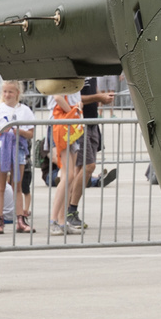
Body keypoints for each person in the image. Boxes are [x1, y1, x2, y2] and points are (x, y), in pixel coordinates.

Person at [0, 80, 35, 234]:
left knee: (17, 185)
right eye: (5, 92)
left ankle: (20, 219)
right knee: (0, 186)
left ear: (17, 93)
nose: (7, 95)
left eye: (10, 92)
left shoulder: (25, 110)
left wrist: (18, 131)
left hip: (19, 148)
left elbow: (30, 133)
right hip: (3, 148)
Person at [48, 81, 84, 233]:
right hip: (61, 126)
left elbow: (78, 101)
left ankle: (62, 221)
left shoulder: (75, 81)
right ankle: (54, 219)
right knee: (67, 175)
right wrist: (72, 112)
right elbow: (57, 97)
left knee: (70, 176)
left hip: (71, 127)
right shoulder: (62, 78)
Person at [79, 75, 120, 192]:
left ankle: (91, 180)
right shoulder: (76, 72)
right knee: (86, 166)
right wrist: (98, 97)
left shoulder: (92, 72)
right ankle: (93, 181)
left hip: (93, 122)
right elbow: (76, 99)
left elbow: (94, 89)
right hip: (80, 124)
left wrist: (103, 98)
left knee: (89, 165)